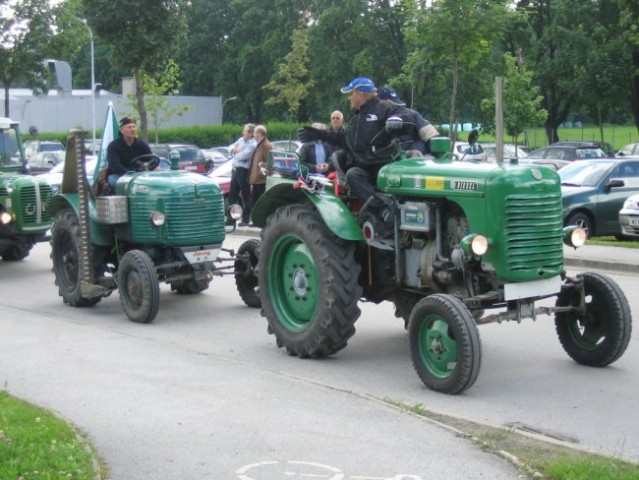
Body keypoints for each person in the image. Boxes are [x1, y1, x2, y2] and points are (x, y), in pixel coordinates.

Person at [298, 77, 409, 226]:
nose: (349, 98)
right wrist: (318, 134)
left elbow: (405, 114)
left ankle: (395, 214)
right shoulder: (357, 119)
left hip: (384, 167)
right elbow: (343, 139)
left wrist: (397, 119)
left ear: (361, 94)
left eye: (351, 94)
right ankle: (382, 212)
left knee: (359, 174)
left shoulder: (384, 108)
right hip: (366, 170)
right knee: (353, 174)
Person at [376, 86, 439, 155]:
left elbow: (431, 135)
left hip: (414, 158)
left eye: (393, 104)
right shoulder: (370, 118)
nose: (392, 106)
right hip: (384, 158)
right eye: (389, 103)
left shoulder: (412, 114)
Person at [106, 117, 153, 189]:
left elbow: (151, 161)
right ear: (122, 131)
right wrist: (130, 175)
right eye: (129, 127)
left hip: (139, 175)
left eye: (134, 127)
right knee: (125, 186)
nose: (132, 129)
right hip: (118, 175)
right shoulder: (113, 146)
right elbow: (115, 166)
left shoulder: (142, 145)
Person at [227, 123, 257, 226]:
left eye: (244, 131)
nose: (242, 132)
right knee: (232, 196)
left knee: (246, 196)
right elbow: (230, 148)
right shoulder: (240, 140)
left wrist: (236, 151)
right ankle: (231, 220)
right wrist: (236, 150)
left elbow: (244, 156)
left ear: (251, 133)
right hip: (235, 170)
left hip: (243, 171)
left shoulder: (253, 144)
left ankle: (245, 220)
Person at [248, 124, 272, 211]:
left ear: (259, 133)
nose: (253, 135)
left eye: (254, 133)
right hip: (257, 179)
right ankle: (255, 220)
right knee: (255, 200)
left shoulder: (266, 145)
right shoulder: (259, 144)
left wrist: (263, 172)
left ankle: (259, 220)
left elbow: (269, 162)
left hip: (261, 179)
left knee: (260, 201)